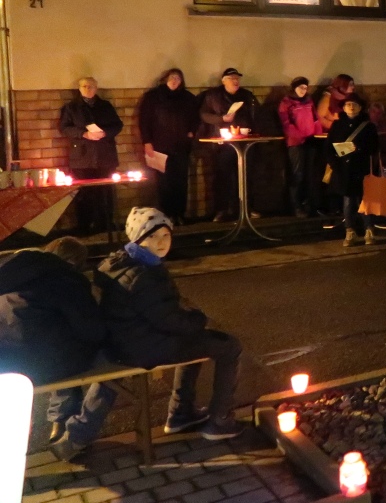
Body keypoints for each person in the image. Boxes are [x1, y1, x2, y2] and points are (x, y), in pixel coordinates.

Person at [53, 209, 244, 460]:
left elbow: (161, 312)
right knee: (228, 346)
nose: (162, 242)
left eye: (166, 235)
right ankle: (219, 420)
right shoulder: (143, 274)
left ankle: (181, 414)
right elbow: (170, 320)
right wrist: (198, 319)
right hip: (145, 346)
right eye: (153, 237)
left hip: (125, 341)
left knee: (197, 341)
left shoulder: (124, 262)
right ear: (138, 239)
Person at [0, 238, 105, 386]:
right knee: (93, 350)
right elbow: (93, 331)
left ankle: (62, 408)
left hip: (6, 365)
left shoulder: (10, 272)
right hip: (39, 367)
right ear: (73, 261)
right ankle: (66, 409)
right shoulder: (67, 279)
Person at [59, 77, 123, 234]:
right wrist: (83, 134)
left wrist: (105, 133)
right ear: (79, 88)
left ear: (96, 88)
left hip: (104, 155)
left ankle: (105, 224)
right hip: (82, 157)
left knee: (105, 192)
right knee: (84, 193)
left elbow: (117, 125)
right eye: (85, 86)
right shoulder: (71, 107)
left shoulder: (105, 106)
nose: (88, 89)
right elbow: (65, 128)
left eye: (91, 86)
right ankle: (84, 226)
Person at [138, 69, 199, 225]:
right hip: (160, 145)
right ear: (165, 79)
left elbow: (195, 117)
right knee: (164, 182)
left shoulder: (187, 98)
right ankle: (166, 214)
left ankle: (179, 213)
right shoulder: (153, 97)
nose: (175, 80)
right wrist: (147, 142)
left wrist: (192, 131)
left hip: (181, 146)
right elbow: (144, 121)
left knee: (181, 181)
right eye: (172, 77)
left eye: (178, 78)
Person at [199, 68, 259, 222]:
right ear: (223, 80)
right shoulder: (213, 96)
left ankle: (246, 208)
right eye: (231, 78)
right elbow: (205, 115)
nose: (235, 81)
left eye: (237, 78)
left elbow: (256, 115)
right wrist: (221, 119)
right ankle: (222, 210)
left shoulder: (247, 96)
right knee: (223, 177)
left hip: (244, 143)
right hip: (223, 144)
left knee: (246, 176)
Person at [327, 94, 382, 246]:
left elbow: (374, 146)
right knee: (348, 201)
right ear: (344, 108)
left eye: (354, 104)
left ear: (360, 107)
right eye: (348, 104)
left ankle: (369, 230)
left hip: (361, 167)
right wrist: (334, 164)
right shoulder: (337, 125)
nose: (351, 107)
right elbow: (329, 147)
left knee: (366, 200)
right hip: (343, 169)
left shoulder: (368, 126)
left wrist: (359, 149)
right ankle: (349, 231)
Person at [279, 77, 319, 217]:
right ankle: (295, 206)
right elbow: (286, 123)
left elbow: (315, 118)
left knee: (310, 174)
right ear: (294, 88)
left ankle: (309, 204)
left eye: (305, 87)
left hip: (310, 140)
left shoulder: (309, 100)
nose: (303, 90)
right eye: (300, 87)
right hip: (296, 143)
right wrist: (298, 136)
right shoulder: (286, 103)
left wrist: (318, 133)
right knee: (297, 174)